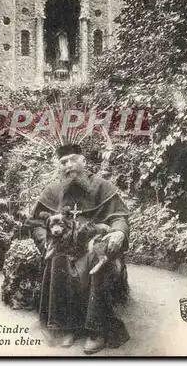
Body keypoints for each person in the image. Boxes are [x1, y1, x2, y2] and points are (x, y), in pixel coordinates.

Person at [26, 143, 130, 354]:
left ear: (84, 161)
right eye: (64, 162)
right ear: (59, 166)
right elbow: (36, 223)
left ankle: (96, 329)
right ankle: (67, 326)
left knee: (94, 258)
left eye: (74, 159)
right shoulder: (53, 190)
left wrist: (119, 232)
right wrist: (45, 241)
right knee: (58, 258)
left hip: (93, 243)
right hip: (64, 246)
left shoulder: (102, 186)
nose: (69, 165)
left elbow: (120, 217)